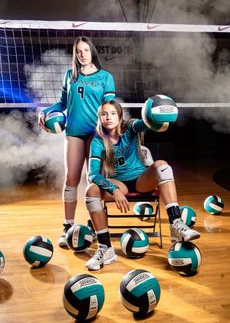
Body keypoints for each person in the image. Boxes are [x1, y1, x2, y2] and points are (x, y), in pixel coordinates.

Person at [84, 100, 200, 271]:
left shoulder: (130, 128)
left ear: (120, 116)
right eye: (104, 114)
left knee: (162, 165)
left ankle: (176, 223)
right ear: (99, 117)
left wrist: (157, 110)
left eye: (113, 113)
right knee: (90, 190)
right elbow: (93, 174)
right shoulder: (98, 140)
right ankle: (105, 248)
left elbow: (146, 122)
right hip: (119, 183)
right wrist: (114, 190)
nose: (108, 117)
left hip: (140, 180)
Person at [38, 37, 116, 247]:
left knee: (94, 180)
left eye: (85, 51)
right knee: (71, 179)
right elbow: (63, 103)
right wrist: (46, 111)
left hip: (96, 134)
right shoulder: (69, 76)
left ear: (92, 52)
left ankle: (93, 224)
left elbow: (109, 107)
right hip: (73, 132)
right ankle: (67, 227)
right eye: (78, 52)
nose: (82, 55)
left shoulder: (105, 77)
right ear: (75, 55)